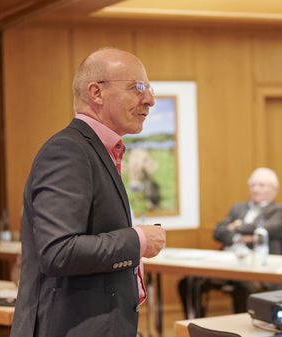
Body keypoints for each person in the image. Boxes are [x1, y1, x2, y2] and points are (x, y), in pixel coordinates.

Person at [10, 48, 166, 337]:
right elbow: (58, 252)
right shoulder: (68, 151)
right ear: (96, 93)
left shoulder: (98, 151)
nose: (150, 100)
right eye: (137, 88)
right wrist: (139, 240)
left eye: (149, 89)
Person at [178, 167, 282, 317]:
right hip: (227, 263)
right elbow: (218, 231)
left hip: (259, 268)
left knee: (243, 286)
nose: (256, 189)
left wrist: (237, 226)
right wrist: (238, 238)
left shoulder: (280, 210)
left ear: (274, 190)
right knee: (189, 282)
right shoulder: (238, 208)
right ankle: (192, 324)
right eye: (253, 185)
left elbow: (271, 228)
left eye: (261, 185)